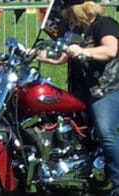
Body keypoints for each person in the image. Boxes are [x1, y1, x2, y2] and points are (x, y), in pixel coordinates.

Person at [33, 0, 119, 195]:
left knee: (106, 133)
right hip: (80, 89)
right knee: (56, 118)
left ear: (80, 10)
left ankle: (117, 184)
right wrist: (31, 53)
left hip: (105, 89)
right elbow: (60, 57)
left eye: (69, 13)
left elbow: (110, 49)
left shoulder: (104, 24)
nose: (66, 18)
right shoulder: (77, 30)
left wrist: (84, 51)